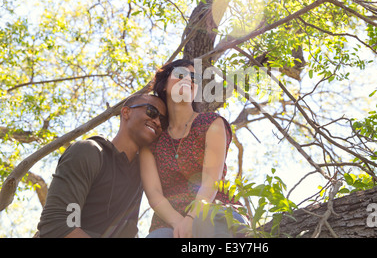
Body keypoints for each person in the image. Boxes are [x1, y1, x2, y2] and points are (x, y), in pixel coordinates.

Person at [140, 59, 247, 238]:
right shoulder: (152, 141)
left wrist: (191, 218)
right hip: (168, 221)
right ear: (164, 84)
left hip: (214, 208)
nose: (188, 79)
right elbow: (154, 194)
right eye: (181, 74)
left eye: (193, 77)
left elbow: (210, 181)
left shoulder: (212, 123)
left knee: (209, 222)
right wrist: (180, 223)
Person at [36, 93, 167, 238]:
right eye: (151, 112)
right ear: (126, 112)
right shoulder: (89, 151)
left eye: (163, 120)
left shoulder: (144, 173)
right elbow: (57, 225)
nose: (158, 122)